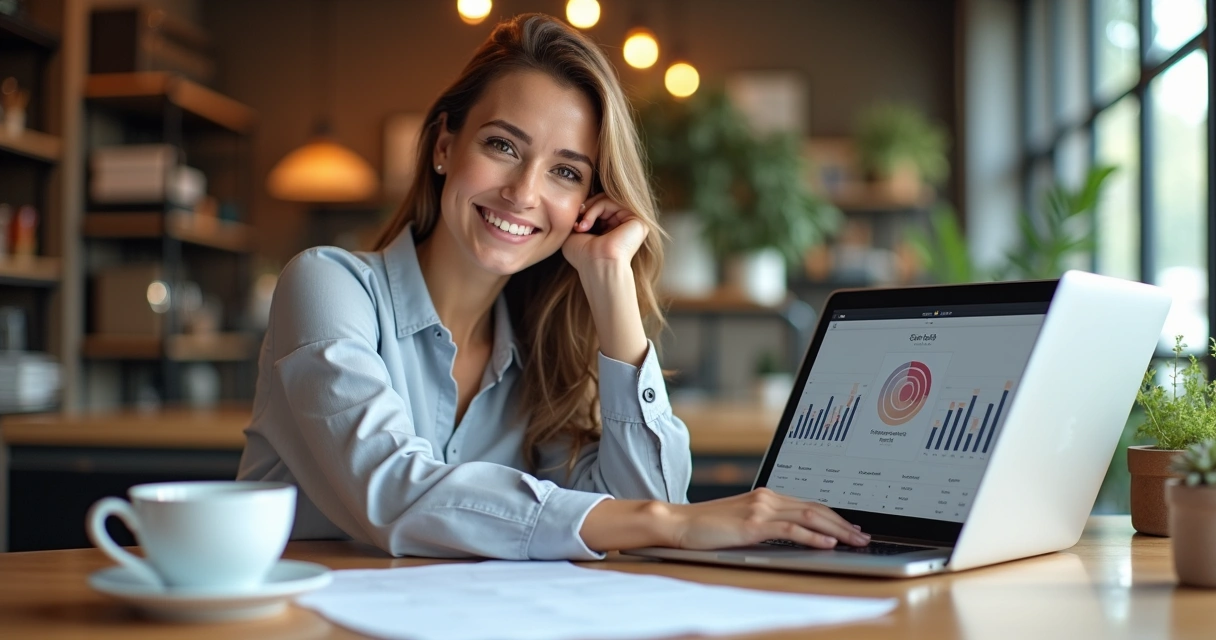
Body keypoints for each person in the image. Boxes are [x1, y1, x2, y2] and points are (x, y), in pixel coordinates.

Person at [238, 13, 870, 560]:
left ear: (588, 202)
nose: (524, 193)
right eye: (502, 145)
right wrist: (670, 522)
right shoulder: (326, 285)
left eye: (565, 171)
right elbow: (392, 494)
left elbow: (643, 514)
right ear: (443, 146)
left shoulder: (542, 358)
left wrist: (611, 285)